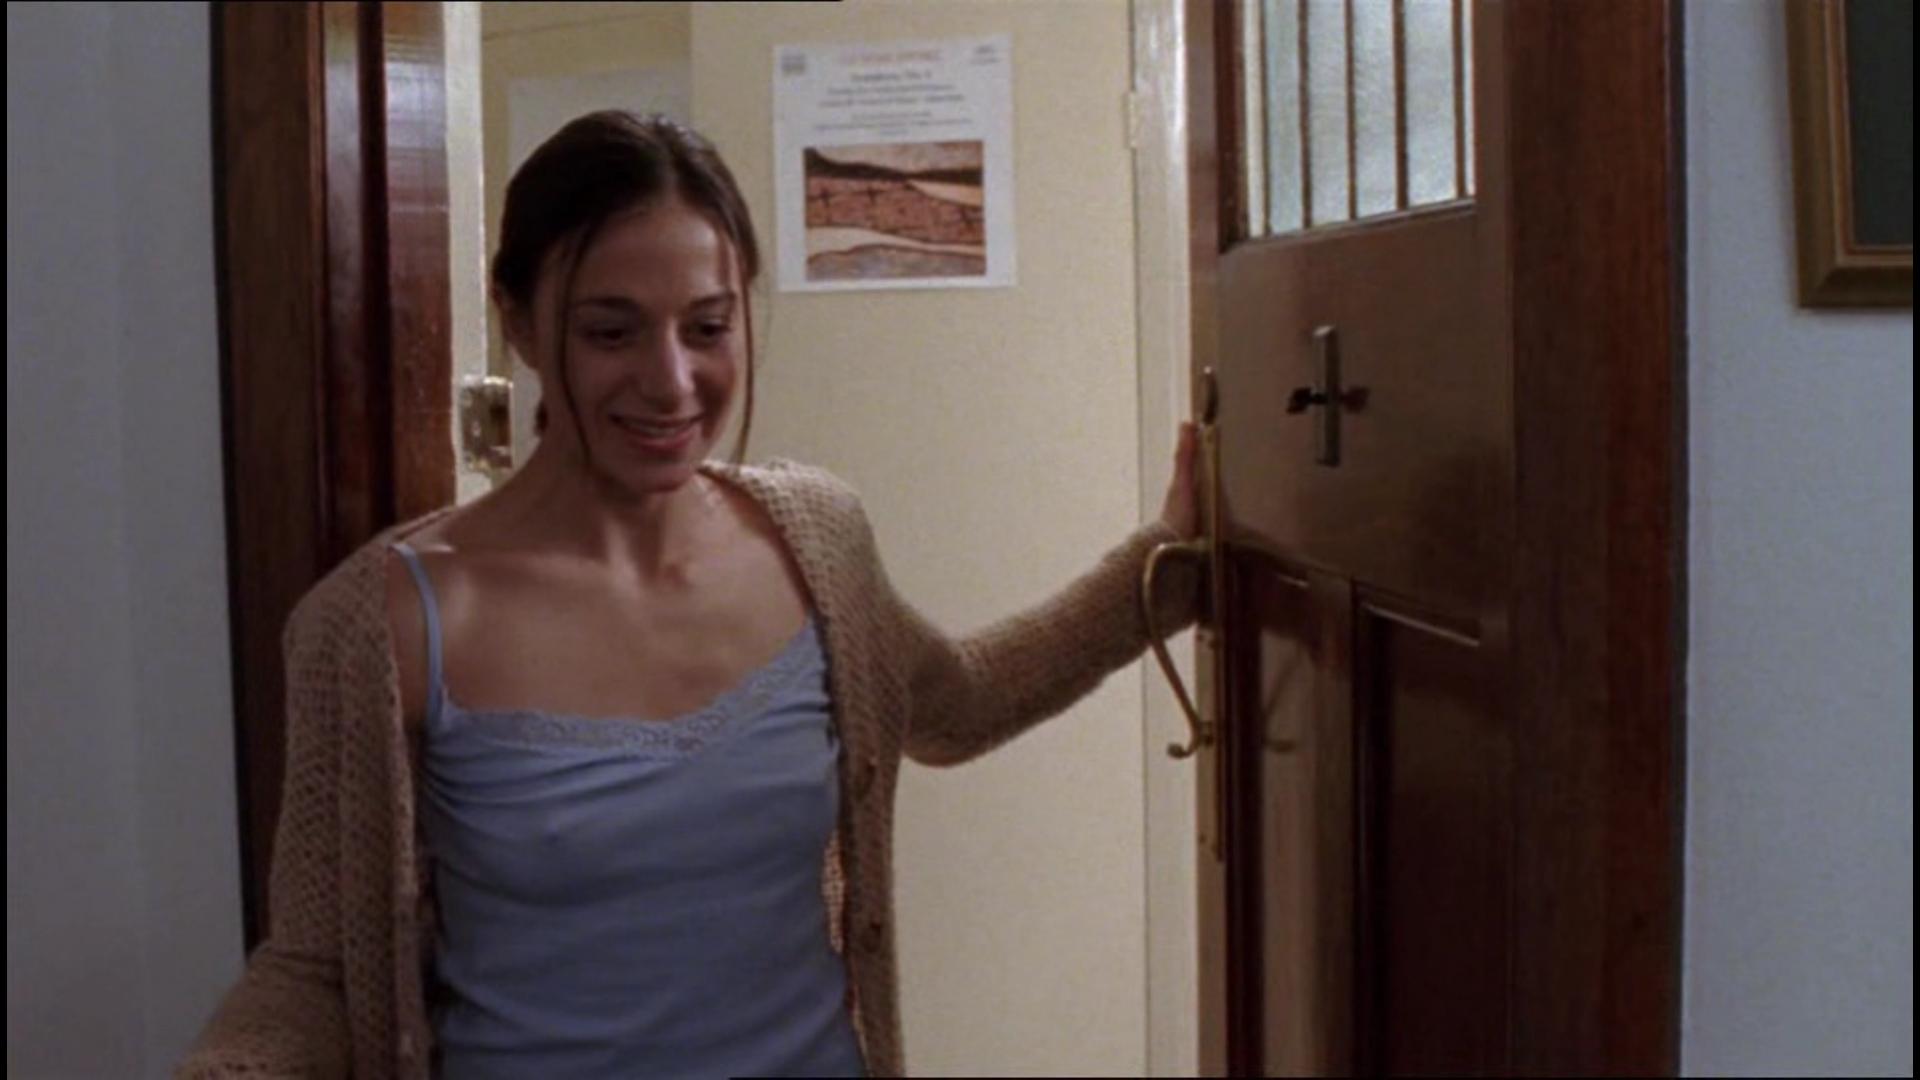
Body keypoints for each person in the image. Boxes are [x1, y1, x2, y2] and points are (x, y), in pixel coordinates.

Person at [179, 110, 1199, 1079]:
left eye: (707, 327)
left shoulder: (815, 542)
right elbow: (314, 969)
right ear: (519, 322)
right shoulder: (383, 624)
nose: (671, 383)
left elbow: (960, 700)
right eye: (610, 332)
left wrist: (1170, 566)